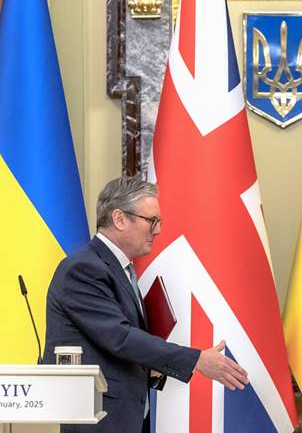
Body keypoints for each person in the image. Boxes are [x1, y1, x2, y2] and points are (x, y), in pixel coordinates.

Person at [44, 177, 249, 433]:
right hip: (98, 419)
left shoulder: (120, 269)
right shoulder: (83, 268)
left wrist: (149, 367)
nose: (158, 230)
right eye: (151, 220)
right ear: (119, 219)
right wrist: (196, 359)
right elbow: (119, 337)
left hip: (123, 416)